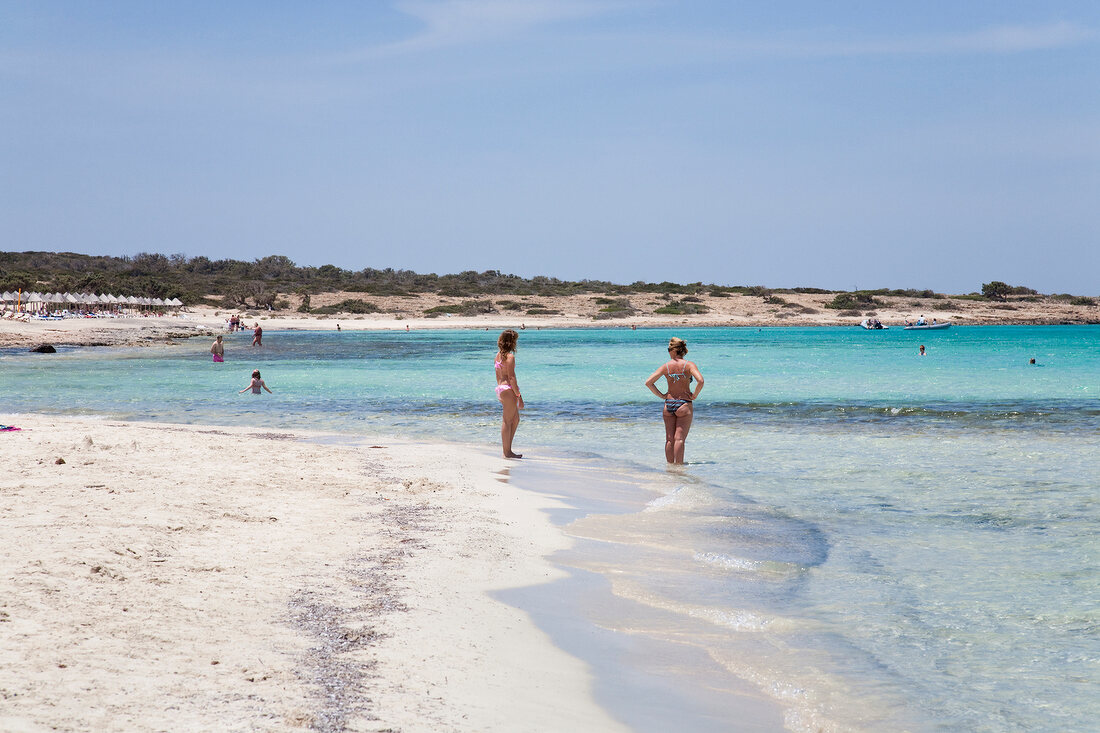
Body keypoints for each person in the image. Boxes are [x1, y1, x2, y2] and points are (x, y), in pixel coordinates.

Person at [645, 337, 704, 465]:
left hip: (668, 404)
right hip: (684, 404)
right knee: (680, 439)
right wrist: (694, 395)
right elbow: (700, 381)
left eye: (668, 350)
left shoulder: (666, 366)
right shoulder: (689, 365)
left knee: (669, 439)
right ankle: (679, 468)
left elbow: (648, 382)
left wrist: (661, 395)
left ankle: (670, 468)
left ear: (673, 351)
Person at [494, 329, 525, 458]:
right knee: (507, 421)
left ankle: (508, 449)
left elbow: (497, 375)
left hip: (501, 389)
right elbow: (512, 378)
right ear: (512, 342)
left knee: (515, 419)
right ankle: (507, 452)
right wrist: (519, 396)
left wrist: (500, 391)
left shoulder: (498, 355)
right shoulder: (510, 357)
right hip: (508, 390)